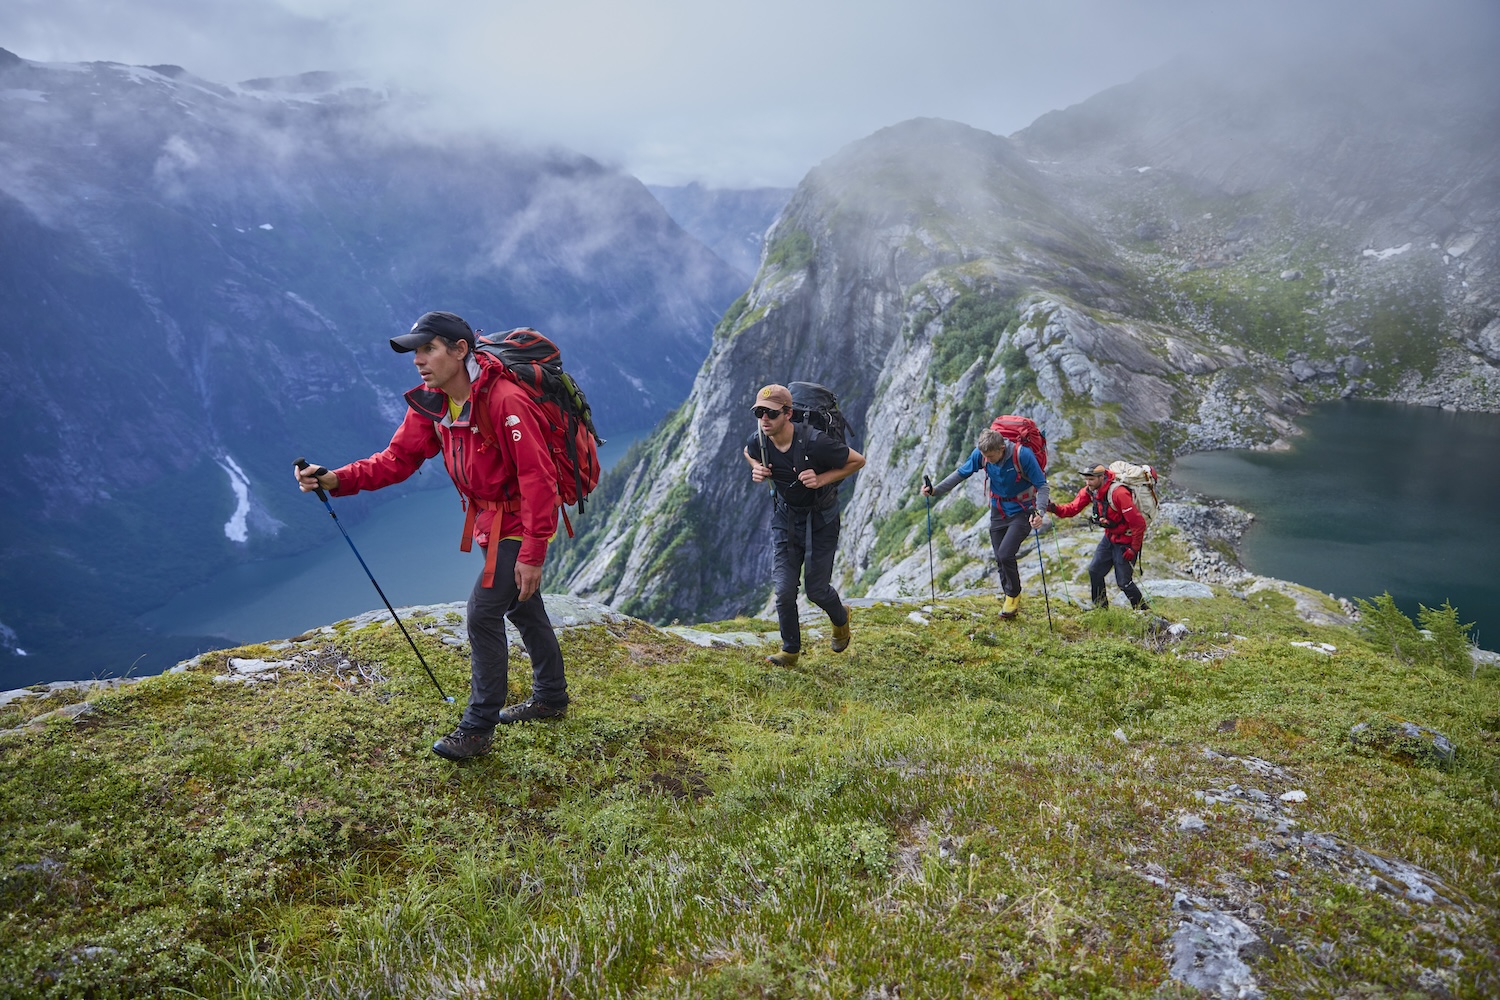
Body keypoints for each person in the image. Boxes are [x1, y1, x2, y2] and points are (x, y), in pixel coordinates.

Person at [295, 310, 568, 761]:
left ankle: (477, 728)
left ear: (460, 351)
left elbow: (540, 480)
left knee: (483, 611)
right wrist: (335, 479)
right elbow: (397, 460)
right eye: (416, 351)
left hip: (521, 523)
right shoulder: (434, 402)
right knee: (522, 605)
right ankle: (551, 698)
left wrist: (534, 552)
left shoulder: (504, 402)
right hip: (489, 523)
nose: (419, 360)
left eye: (429, 349)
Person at [742, 384, 866, 666]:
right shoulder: (760, 440)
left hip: (821, 519)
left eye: (770, 413)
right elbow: (747, 451)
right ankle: (790, 651)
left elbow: (858, 460)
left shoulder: (816, 442)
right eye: (759, 412)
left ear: (788, 413)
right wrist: (756, 467)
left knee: (817, 590)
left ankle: (841, 618)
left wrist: (821, 480)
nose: (764, 419)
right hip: (786, 519)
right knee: (784, 591)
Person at [922, 427, 1050, 619]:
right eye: (984, 456)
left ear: (1001, 448)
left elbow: (1042, 485)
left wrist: (1040, 512)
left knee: (1006, 554)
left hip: (1023, 510)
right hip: (998, 508)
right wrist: (935, 490)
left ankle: (1013, 596)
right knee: (999, 556)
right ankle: (1009, 596)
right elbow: (960, 473)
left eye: (990, 456)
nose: (987, 460)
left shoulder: (1022, 455)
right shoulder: (981, 454)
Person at [1047, 464, 1150, 611]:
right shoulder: (1091, 491)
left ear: (1102, 477)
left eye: (1091, 479)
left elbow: (1138, 523)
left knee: (1124, 582)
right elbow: (1071, 509)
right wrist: (1054, 508)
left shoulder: (1118, 493)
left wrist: (1134, 548)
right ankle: (1101, 610)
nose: (1088, 483)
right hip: (1109, 538)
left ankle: (1143, 611)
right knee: (1095, 571)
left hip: (1126, 542)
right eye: (1086, 479)